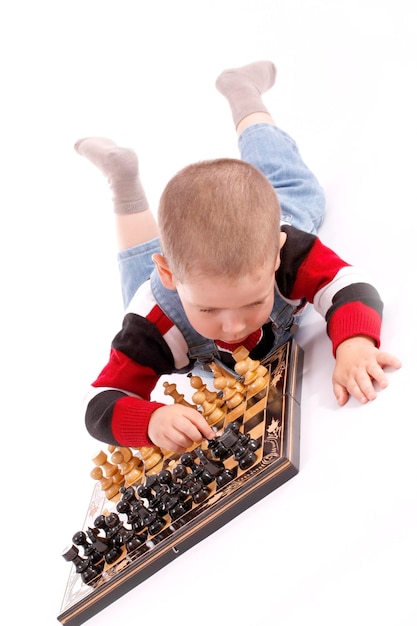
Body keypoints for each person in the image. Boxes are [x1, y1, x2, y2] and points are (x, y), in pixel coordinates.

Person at [74, 61, 401, 454]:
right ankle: (122, 181)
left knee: (296, 187)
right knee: (135, 281)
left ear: (276, 255)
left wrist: (355, 342)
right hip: (160, 295)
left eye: (252, 301)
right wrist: (150, 419)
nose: (232, 326)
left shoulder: (289, 249)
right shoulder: (154, 320)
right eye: (209, 309)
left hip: (270, 218)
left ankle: (243, 91)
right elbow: (100, 402)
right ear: (171, 275)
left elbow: (350, 285)